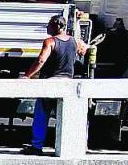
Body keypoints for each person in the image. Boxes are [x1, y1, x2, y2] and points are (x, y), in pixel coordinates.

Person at [19, 15, 89, 155]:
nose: (47, 27)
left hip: (51, 82)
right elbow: (83, 50)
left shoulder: (50, 42)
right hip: (67, 83)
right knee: (64, 116)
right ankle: (71, 147)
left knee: (41, 114)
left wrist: (27, 76)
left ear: (56, 26)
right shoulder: (75, 41)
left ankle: (37, 146)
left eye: (49, 24)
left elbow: (41, 61)